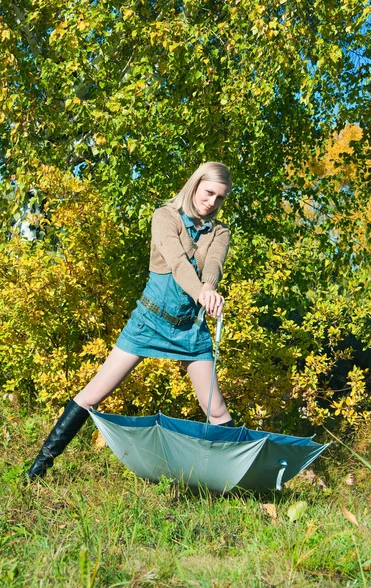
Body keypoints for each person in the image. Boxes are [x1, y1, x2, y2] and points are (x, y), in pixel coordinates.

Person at [27, 161, 234, 481]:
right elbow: (178, 263)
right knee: (93, 393)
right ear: (195, 185)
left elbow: (214, 266)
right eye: (209, 192)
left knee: (216, 409)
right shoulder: (164, 217)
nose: (212, 202)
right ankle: (37, 470)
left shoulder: (220, 231)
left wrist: (209, 289)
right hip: (149, 321)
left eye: (220, 198)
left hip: (190, 329)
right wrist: (200, 292)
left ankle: (233, 479)